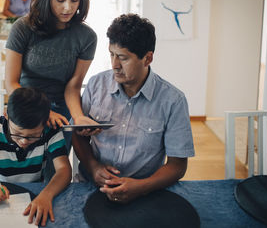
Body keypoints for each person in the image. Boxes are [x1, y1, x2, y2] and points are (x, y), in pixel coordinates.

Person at [72, 13, 195, 203]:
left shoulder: (173, 101)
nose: (114, 65)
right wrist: (93, 167)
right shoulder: (96, 86)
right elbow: (77, 135)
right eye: (111, 54)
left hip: (146, 193)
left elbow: (177, 165)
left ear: (147, 59)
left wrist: (142, 187)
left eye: (123, 58)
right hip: (91, 187)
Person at [5, 0, 98, 151]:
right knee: (23, 171)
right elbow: (11, 83)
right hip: (26, 106)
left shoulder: (87, 37)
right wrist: (44, 112)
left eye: (75, 0)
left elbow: (73, 86)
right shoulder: (22, 28)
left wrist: (78, 116)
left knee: (56, 171)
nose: (68, 8)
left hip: (62, 113)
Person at [0, 87, 72, 226]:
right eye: (17, 133)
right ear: (6, 115)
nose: (24, 141)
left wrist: (47, 195)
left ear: (45, 122)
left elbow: (64, 170)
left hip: (34, 193)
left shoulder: (50, 131)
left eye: (33, 136)